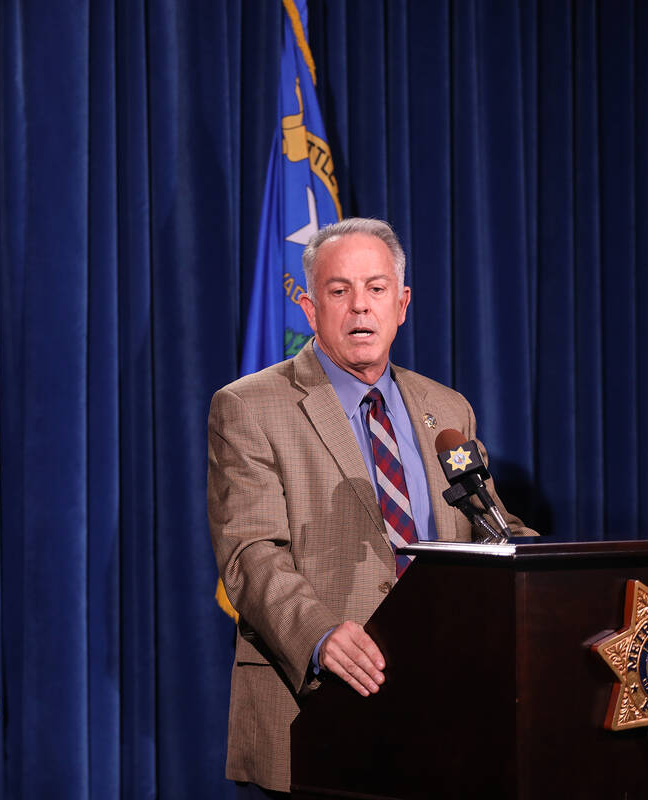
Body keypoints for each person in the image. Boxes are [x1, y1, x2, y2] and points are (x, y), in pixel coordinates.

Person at [207, 217, 535, 793]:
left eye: (376, 289)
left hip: (446, 708)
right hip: (318, 708)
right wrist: (320, 633)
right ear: (310, 307)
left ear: (401, 303)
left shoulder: (446, 407)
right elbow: (251, 555)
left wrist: (553, 570)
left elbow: (492, 525)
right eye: (340, 291)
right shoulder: (250, 407)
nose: (360, 307)